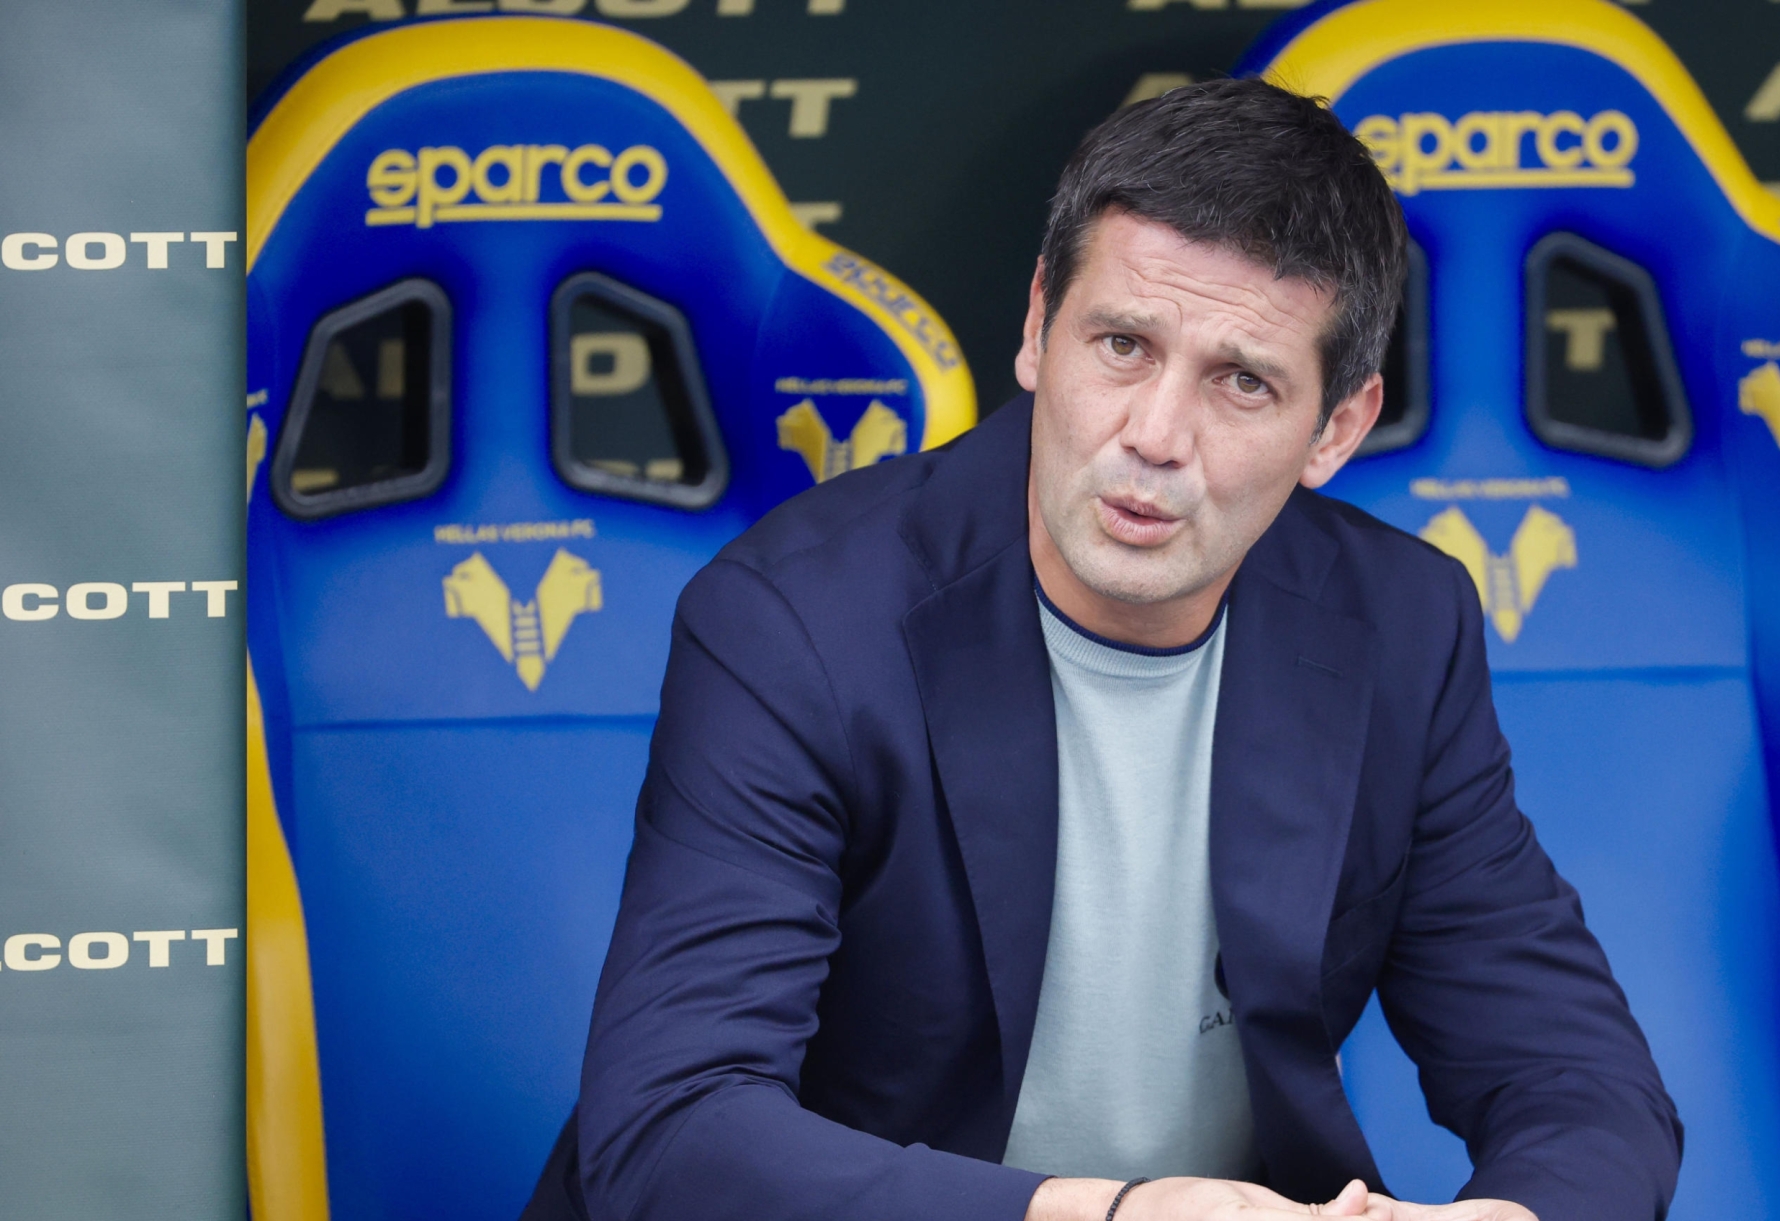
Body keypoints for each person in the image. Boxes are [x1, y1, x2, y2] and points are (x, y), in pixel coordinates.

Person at [526, 78, 1680, 1221]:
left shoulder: (1400, 626)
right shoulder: (795, 623)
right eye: (1123, 345)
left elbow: (1581, 1082)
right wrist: (1109, 1217)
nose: (1156, 437)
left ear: (1336, 428)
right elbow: (671, 1130)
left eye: (1242, 381)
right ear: (1036, 329)